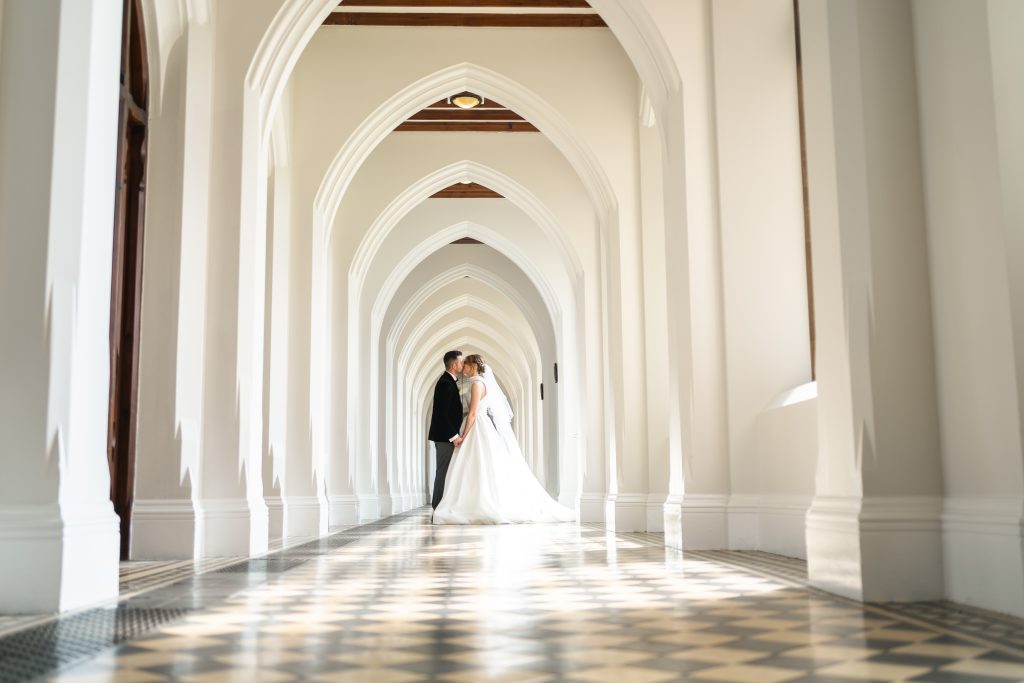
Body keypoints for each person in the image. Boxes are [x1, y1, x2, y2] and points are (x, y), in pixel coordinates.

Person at [432, 354, 576, 525]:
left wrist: (463, 435)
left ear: (473, 367)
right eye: (461, 363)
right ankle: (470, 502)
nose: (463, 366)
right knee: (475, 466)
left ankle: (475, 503)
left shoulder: (477, 384)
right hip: (477, 426)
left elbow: (472, 414)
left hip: (477, 426)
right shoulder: (474, 383)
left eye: (466, 364)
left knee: (475, 465)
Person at [427, 350, 464, 510]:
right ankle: (437, 506)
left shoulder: (448, 381)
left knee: (447, 471)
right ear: (454, 364)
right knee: (443, 471)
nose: (463, 365)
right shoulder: (445, 383)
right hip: (444, 437)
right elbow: (442, 413)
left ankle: (443, 505)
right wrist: (453, 436)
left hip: (445, 436)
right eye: (461, 362)